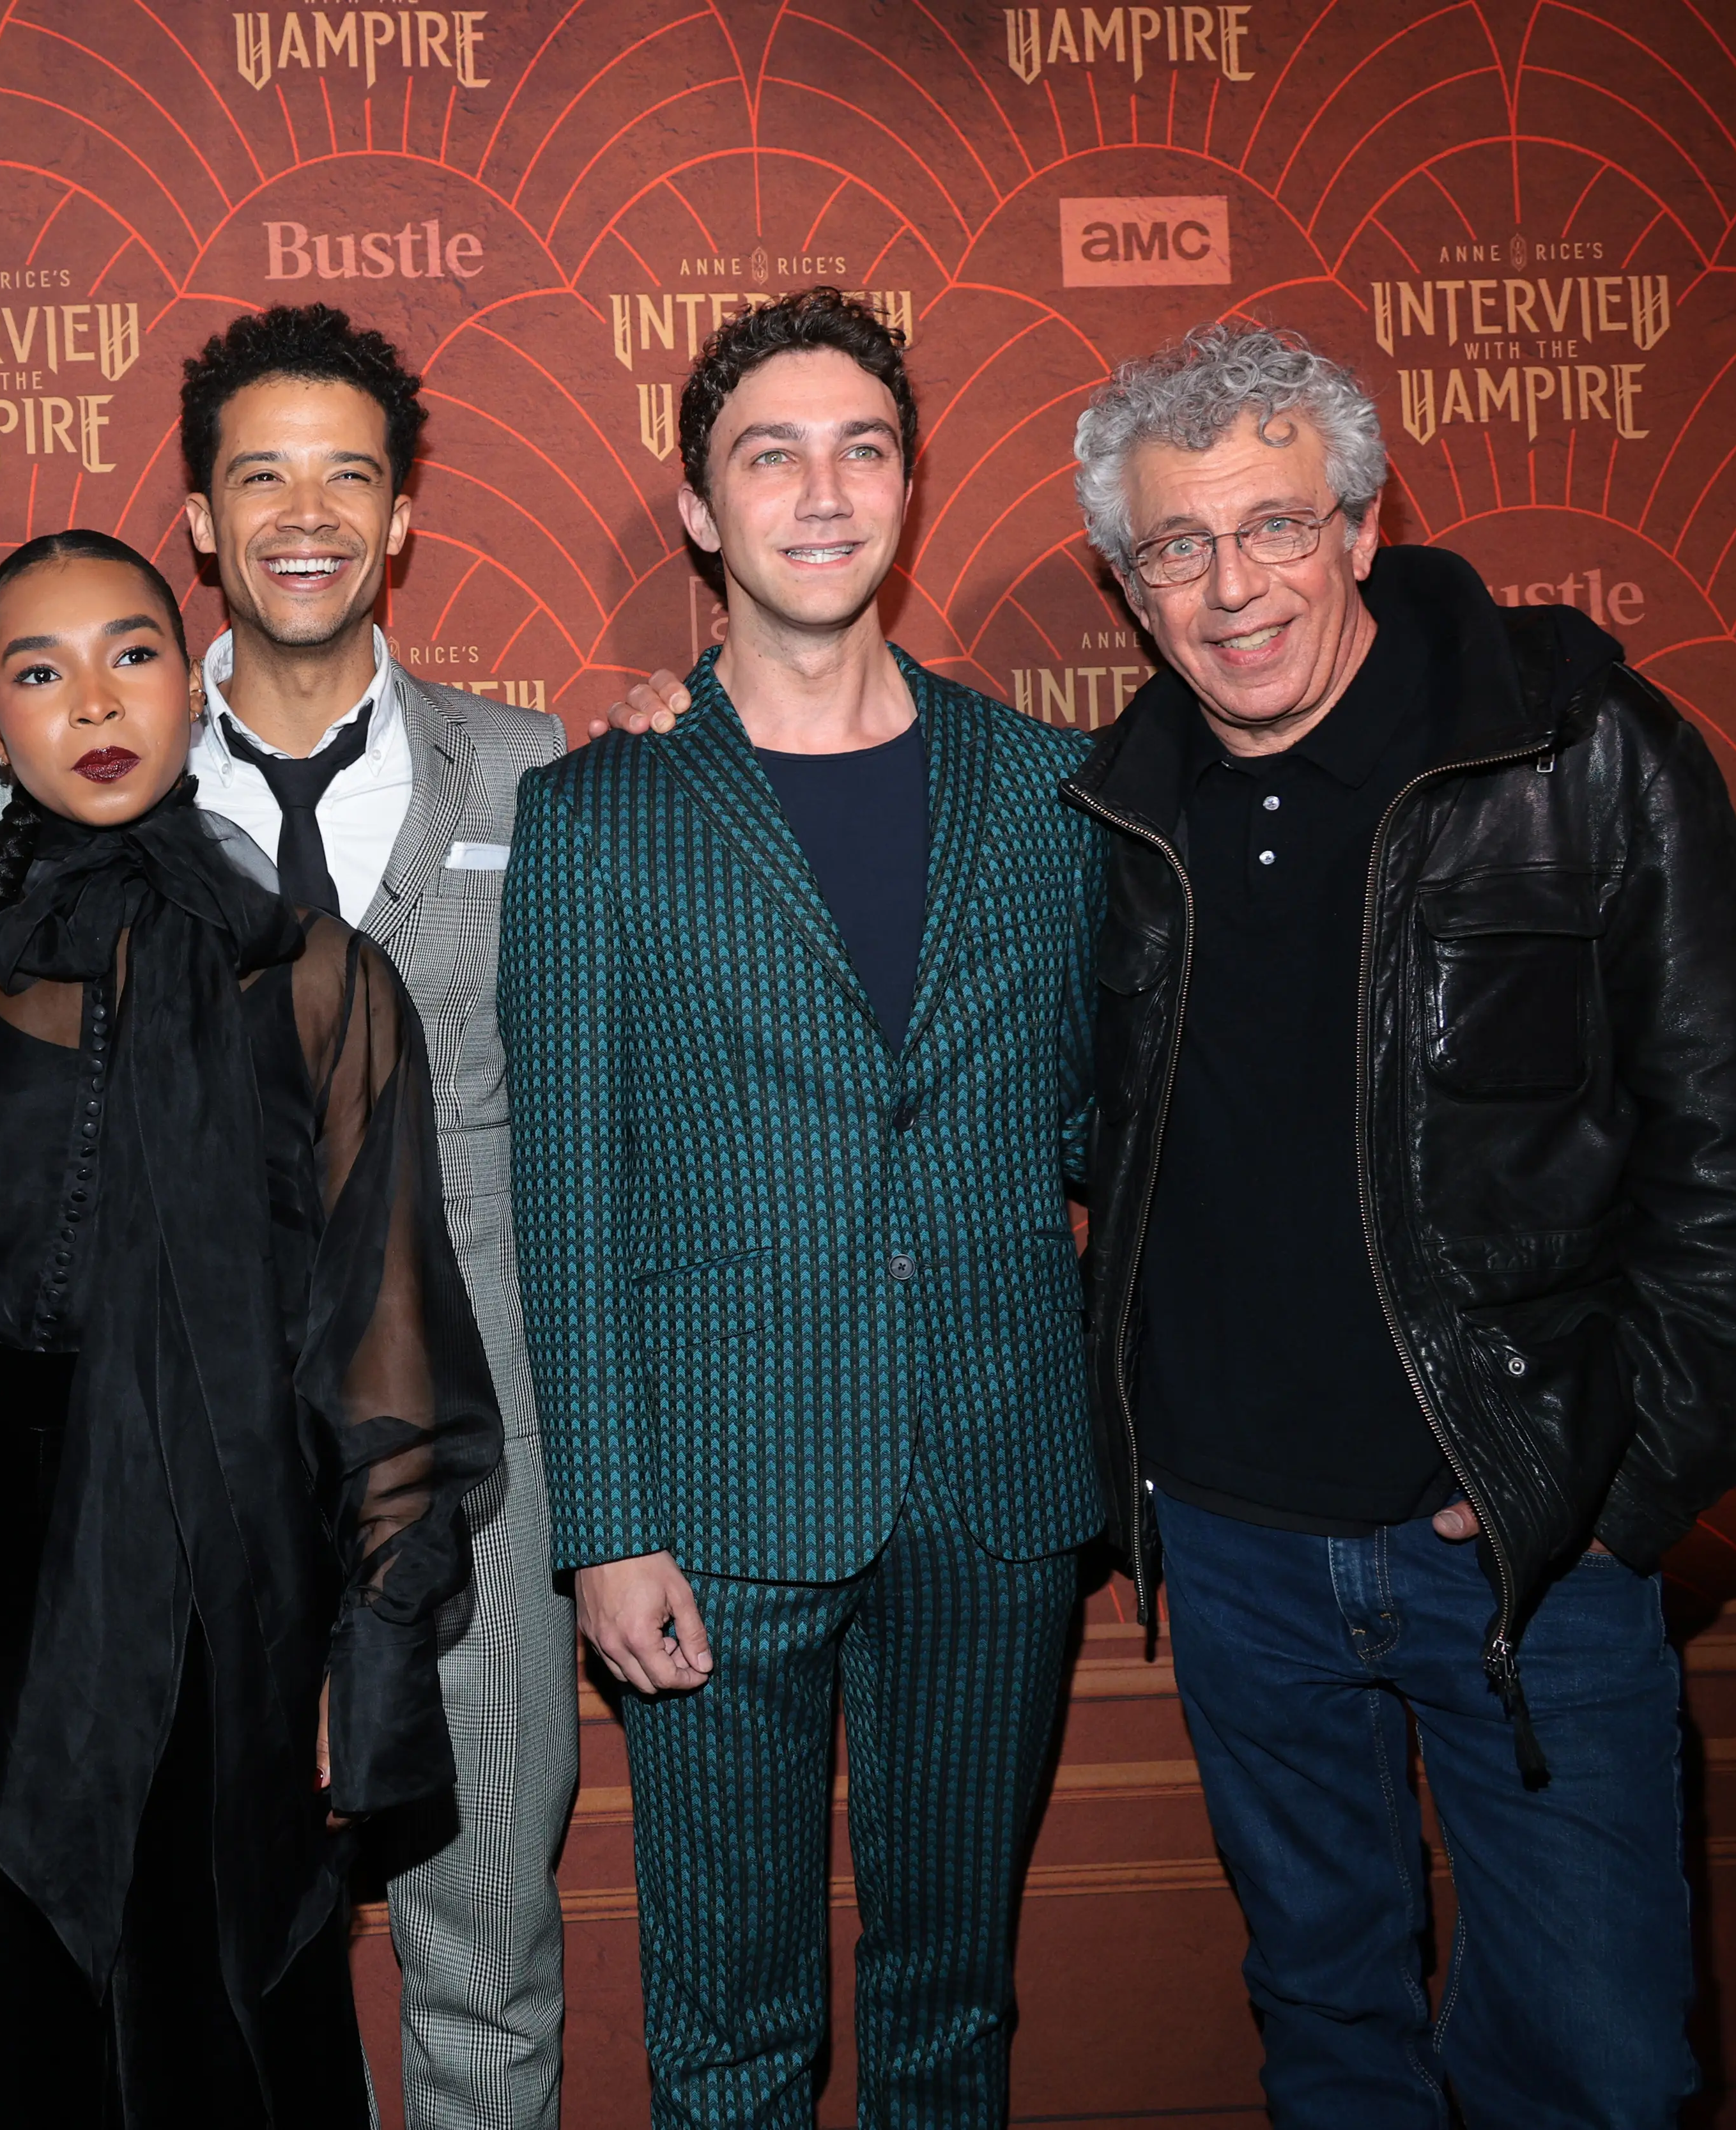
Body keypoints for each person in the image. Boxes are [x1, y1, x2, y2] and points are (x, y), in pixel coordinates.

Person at [1056, 321, 1736, 2127]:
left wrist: (1605, 1477)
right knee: (1331, 2040)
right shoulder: (1119, 809)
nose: (1233, 584)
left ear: (1358, 525)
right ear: (1129, 585)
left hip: (1521, 1545)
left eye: (1275, 523)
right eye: (1177, 546)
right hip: (1243, 1551)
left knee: (1596, 2061)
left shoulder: (1576, 747)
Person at [0, 529, 500, 2127]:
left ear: (191, 681)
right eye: (37, 670)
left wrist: (360, 1648)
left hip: (230, 1600)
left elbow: (386, 1345)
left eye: (129, 653)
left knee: (206, 2048)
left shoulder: (317, 981)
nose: (91, 698)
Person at [500, 288, 1102, 2128]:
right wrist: (605, 1521)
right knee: (733, 2033)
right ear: (700, 509)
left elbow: (1105, 1118)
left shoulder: (1052, 787)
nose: (820, 492)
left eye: (861, 450)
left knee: (951, 2011)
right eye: (771, 454)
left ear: (913, 487)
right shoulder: (597, 813)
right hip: (718, 1505)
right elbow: (566, 1190)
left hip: (996, 1488)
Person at [175, 302, 575, 2129]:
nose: (306, 512)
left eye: (349, 471)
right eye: (263, 472)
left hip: (479, 1470)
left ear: (403, 514)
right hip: (197, 1480)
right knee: (206, 1958)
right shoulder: (99, 793)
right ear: (200, 517)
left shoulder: (540, 771)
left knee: (482, 1951)